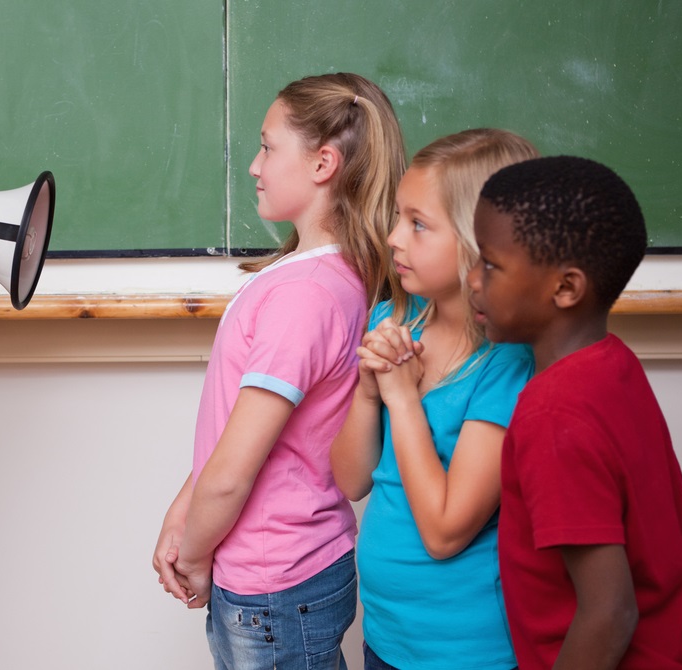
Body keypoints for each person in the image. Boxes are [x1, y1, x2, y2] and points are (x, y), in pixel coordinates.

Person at [152, 72, 405, 669]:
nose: (254, 166)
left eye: (268, 147)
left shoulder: (305, 297)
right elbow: (238, 438)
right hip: (281, 576)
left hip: (273, 583)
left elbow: (233, 475)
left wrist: (192, 551)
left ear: (323, 163)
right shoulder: (312, 276)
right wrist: (181, 512)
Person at [469, 155, 682, 669]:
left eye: (491, 264)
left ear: (565, 288)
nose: (473, 279)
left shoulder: (552, 416)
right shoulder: (613, 364)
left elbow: (610, 613)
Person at [329, 129, 537, 669]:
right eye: (399, 217)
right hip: (387, 637)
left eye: (418, 224)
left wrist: (401, 399)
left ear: (479, 244)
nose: (394, 238)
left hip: (467, 650)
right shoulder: (392, 321)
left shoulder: (506, 365)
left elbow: (446, 532)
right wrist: (369, 393)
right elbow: (351, 480)